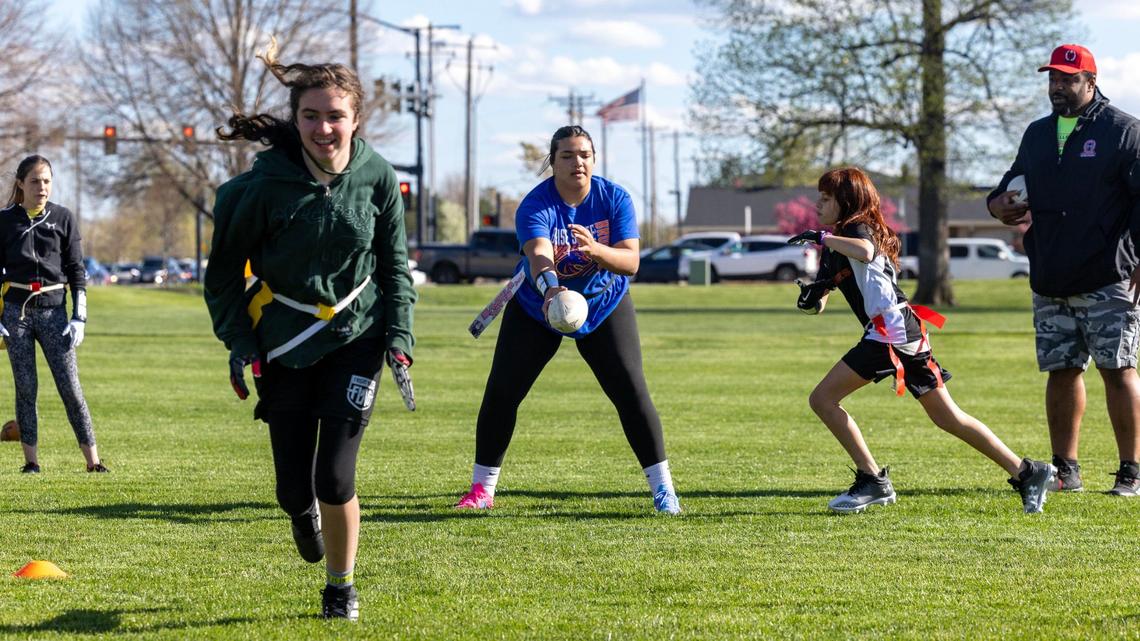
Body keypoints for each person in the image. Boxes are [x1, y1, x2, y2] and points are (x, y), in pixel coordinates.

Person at [204, 39, 417, 621]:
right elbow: (222, 276)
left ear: (356, 119)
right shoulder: (260, 187)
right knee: (293, 490)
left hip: (358, 337)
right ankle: (301, 514)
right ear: (295, 119)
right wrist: (241, 343)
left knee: (334, 474)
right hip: (285, 343)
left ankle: (340, 588)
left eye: (335, 116)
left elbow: (394, 266)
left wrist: (399, 338)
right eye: (311, 116)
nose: (324, 128)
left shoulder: (376, 176)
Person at [791, 167, 1055, 514]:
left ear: (846, 200)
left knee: (823, 399)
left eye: (826, 197)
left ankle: (873, 480)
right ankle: (1027, 471)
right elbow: (824, 298)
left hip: (891, 331)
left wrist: (821, 237)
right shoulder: (837, 241)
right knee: (948, 417)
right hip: (899, 331)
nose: (818, 203)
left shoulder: (858, 229)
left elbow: (866, 250)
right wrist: (811, 298)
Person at [455, 125, 681, 515]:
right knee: (502, 393)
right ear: (553, 161)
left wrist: (596, 251)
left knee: (631, 393)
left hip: (604, 302)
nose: (577, 162)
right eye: (567, 155)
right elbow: (539, 252)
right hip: (538, 304)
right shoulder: (536, 204)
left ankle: (664, 491)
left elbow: (630, 262)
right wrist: (551, 290)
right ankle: (481, 490)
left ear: (594, 159)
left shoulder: (615, 198)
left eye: (584, 154)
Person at [987, 43, 1140, 496]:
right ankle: (1065, 470)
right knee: (1062, 370)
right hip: (1051, 273)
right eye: (1053, 78)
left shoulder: (1123, 131)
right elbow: (1007, 188)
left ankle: (1131, 471)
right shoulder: (1036, 134)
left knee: (1118, 368)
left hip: (1107, 274)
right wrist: (996, 206)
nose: (1058, 86)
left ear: (1090, 82)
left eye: (1068, 79)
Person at [0, 155, 105, 474]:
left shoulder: (63, 217)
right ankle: (31, 461)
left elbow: (76, 270)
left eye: (46, 181)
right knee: (26, 388)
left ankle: (94, 461)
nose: (41, 187)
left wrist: (80, 316)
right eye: (34, 181)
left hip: (55, 313)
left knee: (71, 388)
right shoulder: (4, 221)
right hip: (16, 315)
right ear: (20, 184)